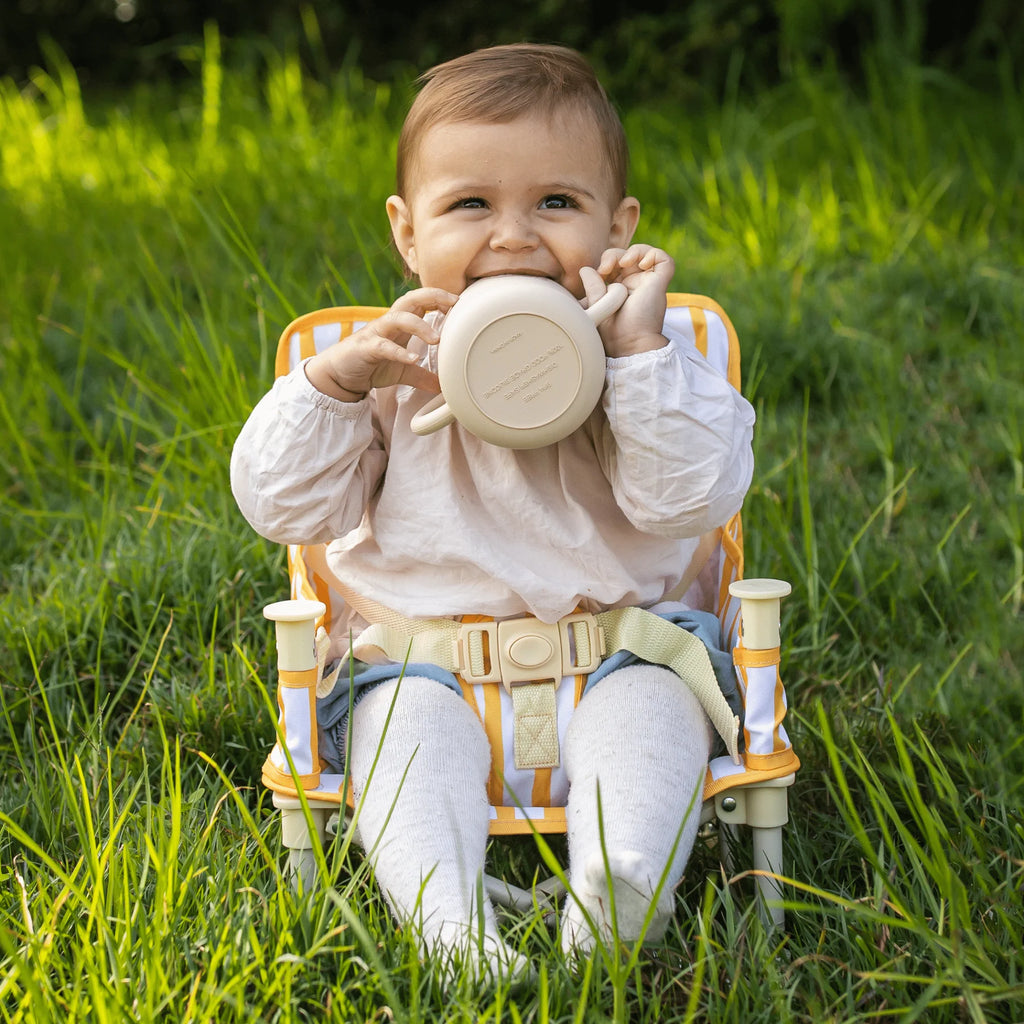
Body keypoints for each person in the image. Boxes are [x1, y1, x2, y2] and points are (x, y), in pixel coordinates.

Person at [231, 43, 754, 980]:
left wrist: (632, 361)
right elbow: (281, 507)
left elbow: (696, 497)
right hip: (422, 672)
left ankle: (621, 884)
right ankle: (445, 919)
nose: (513, 237)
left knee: (657, 712)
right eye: (470, 204)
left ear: (617, 225)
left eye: (556, 203)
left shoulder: (658, 354)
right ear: (406, 233)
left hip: (618, 653)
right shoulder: (382, 366)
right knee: (402, 739)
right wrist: (336, 386)